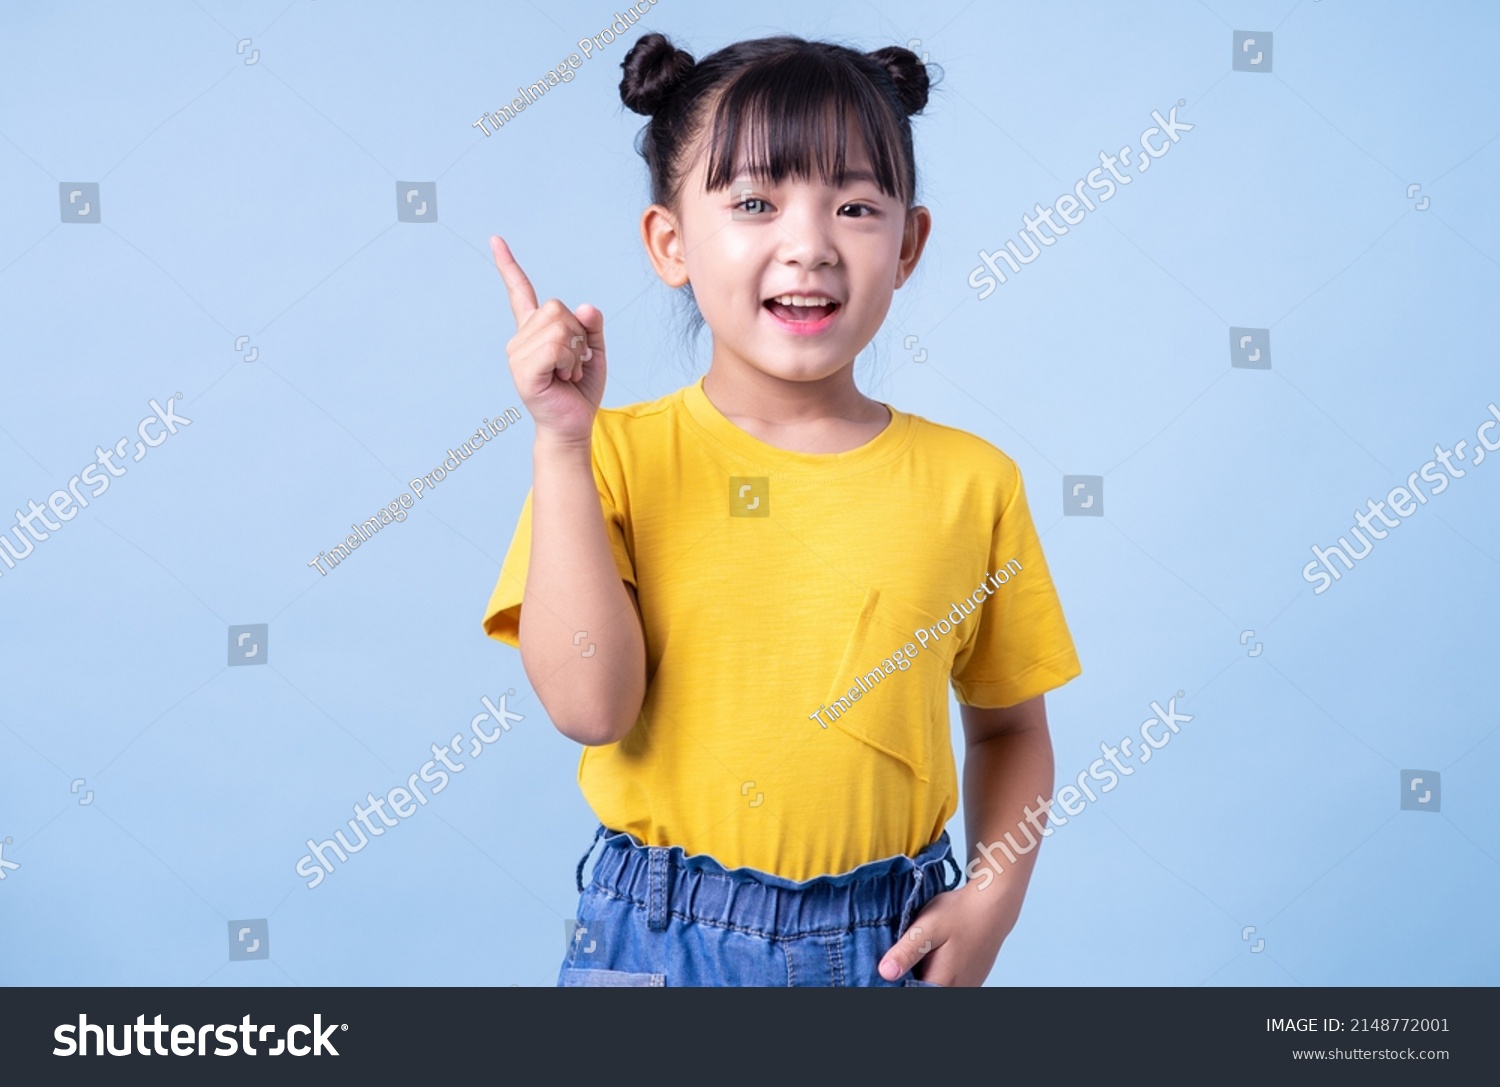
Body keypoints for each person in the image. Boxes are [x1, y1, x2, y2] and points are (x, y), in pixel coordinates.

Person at [482, 30, 1082, 987]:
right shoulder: (611, 457)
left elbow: (1011, 730)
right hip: (657, 943)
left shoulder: (975, 482)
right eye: (755, 202)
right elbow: (592, 708)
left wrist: (993, 902)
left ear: (910, 243)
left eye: (854, 206)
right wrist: (561, 440)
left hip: (888, 945)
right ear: (670, 243)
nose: (809, 245)